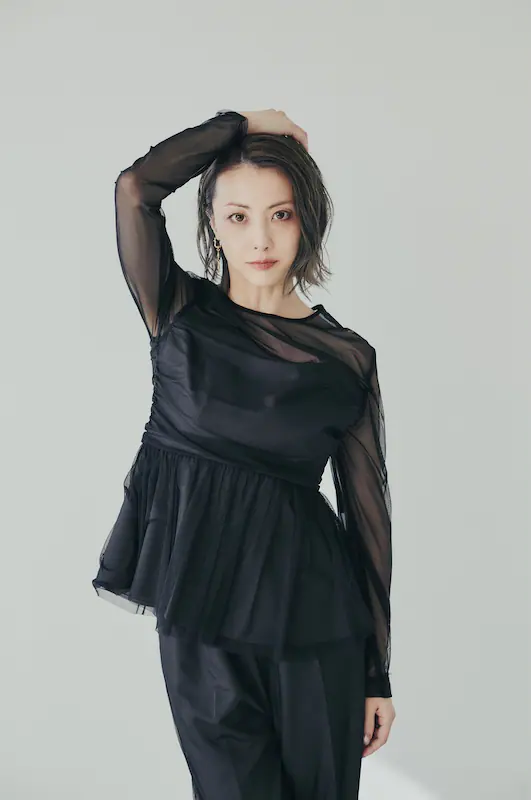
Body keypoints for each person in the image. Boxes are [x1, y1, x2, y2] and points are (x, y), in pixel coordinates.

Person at [92, 108, 396, 798]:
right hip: (201, 619)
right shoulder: (179, 313)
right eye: (237, 217)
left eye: (280, 215)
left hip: (318, 622)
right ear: (213, 224)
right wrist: (237, 124)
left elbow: (368, 518)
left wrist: (376, 672)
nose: (260, 238)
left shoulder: (347, 357)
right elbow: (136, 187)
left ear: (308, 221)